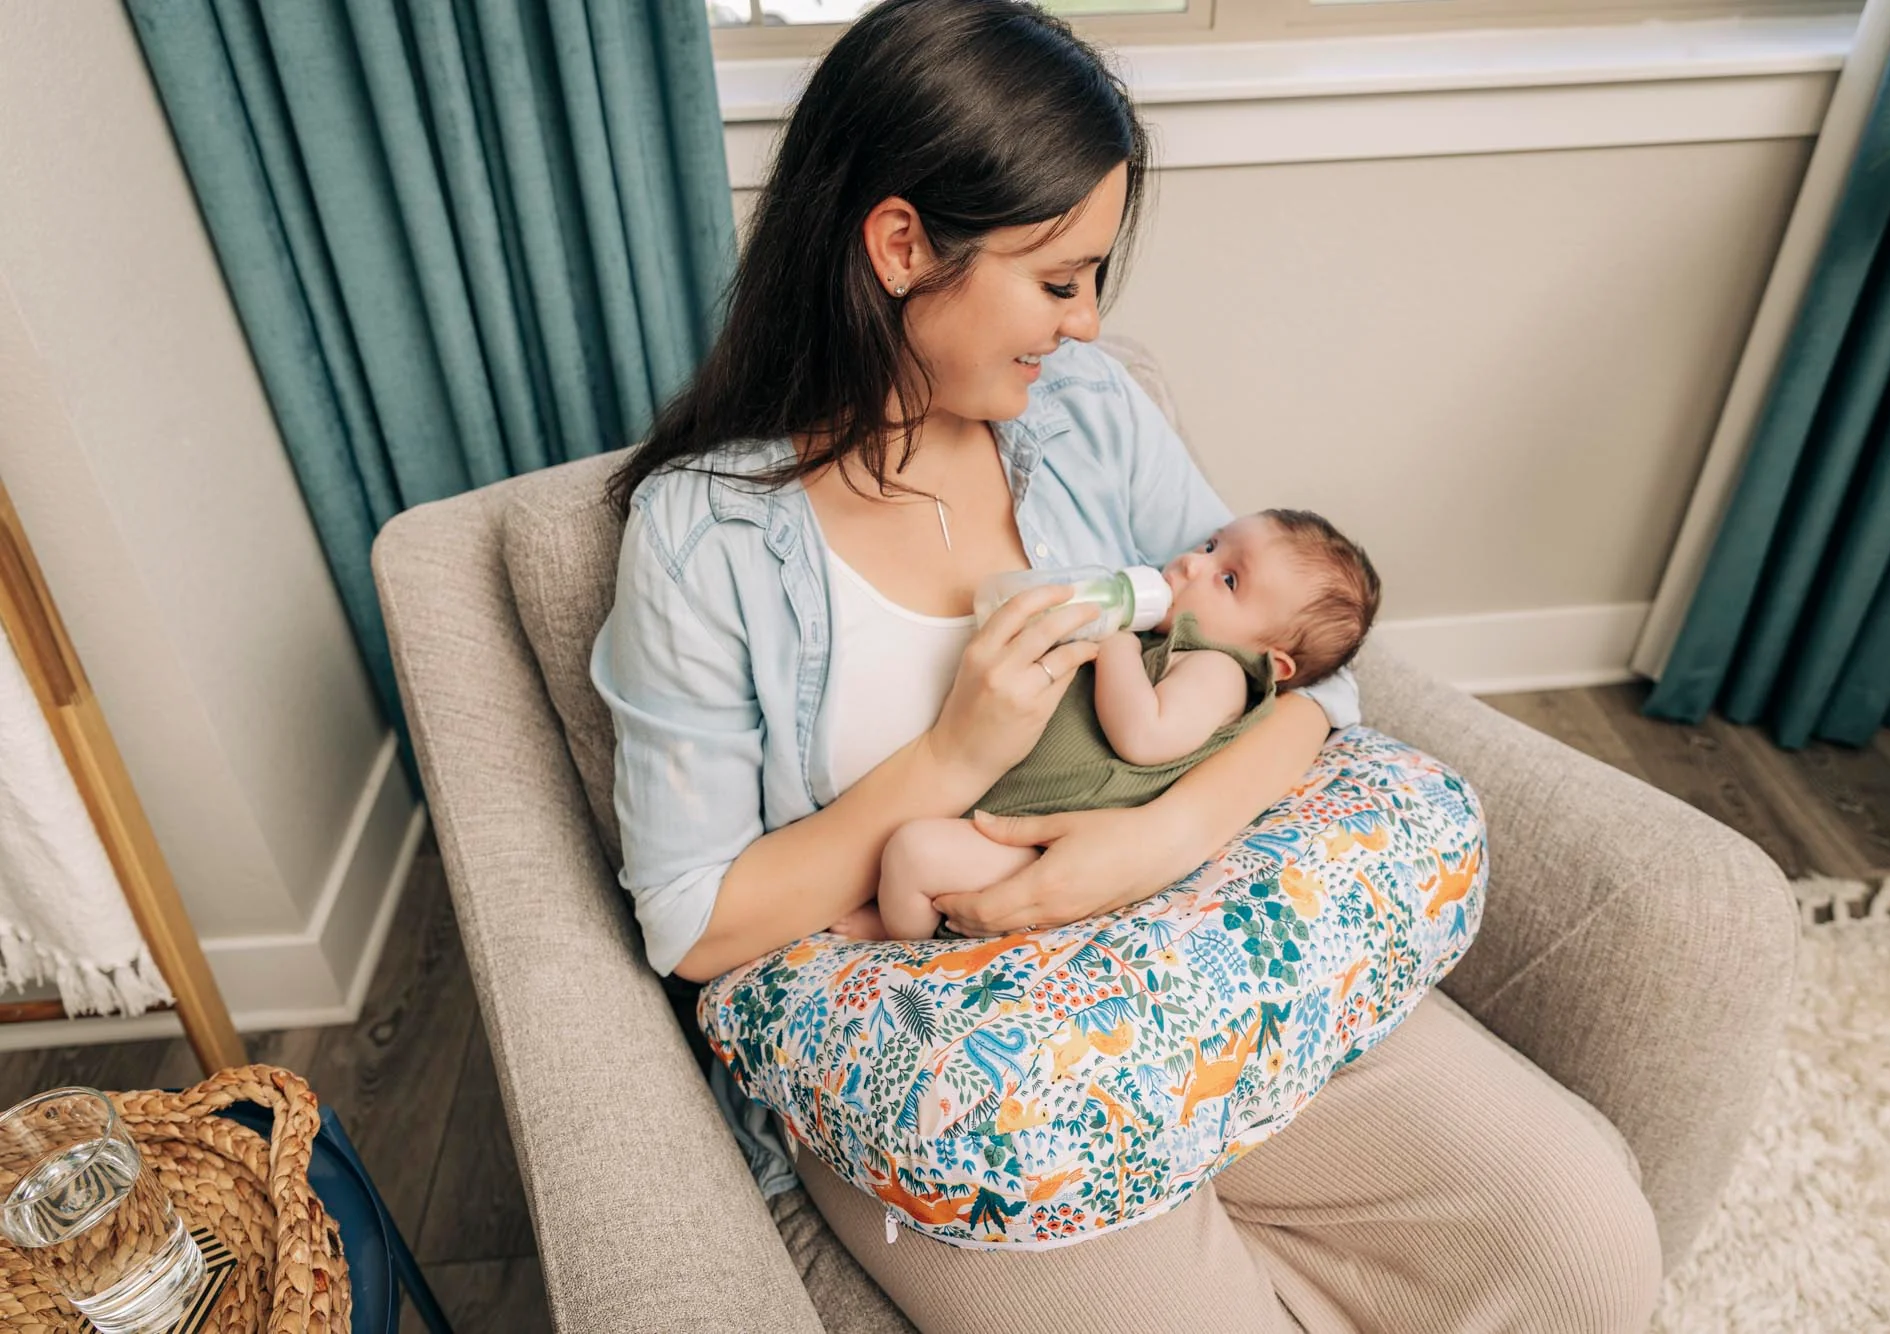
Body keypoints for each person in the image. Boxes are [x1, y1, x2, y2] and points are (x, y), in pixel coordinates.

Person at [590, 0, 1661, 1327]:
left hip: (1181, 957)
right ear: (902, 244)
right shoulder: (704, 538)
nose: (1088, 323)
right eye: (1057, 279)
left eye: (1096, 276)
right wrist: (949, 760)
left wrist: (1160, 834)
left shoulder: (1087, 417)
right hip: (959, 1060)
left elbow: (1307, 670)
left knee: (1579, 1235)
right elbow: (695, 923)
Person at [853, 508, 1381, 941]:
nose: (1193, 565)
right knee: (905, 850)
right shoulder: (1169, 641)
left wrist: (1119, 644)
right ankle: (904, 911)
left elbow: (1146, 736)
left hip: (1042, 850)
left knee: (913, 853)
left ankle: (904, 936)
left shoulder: (1220, 672)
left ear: (1274, 659)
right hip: (1010, 810)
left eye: (1228, 579)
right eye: (1211, 545)